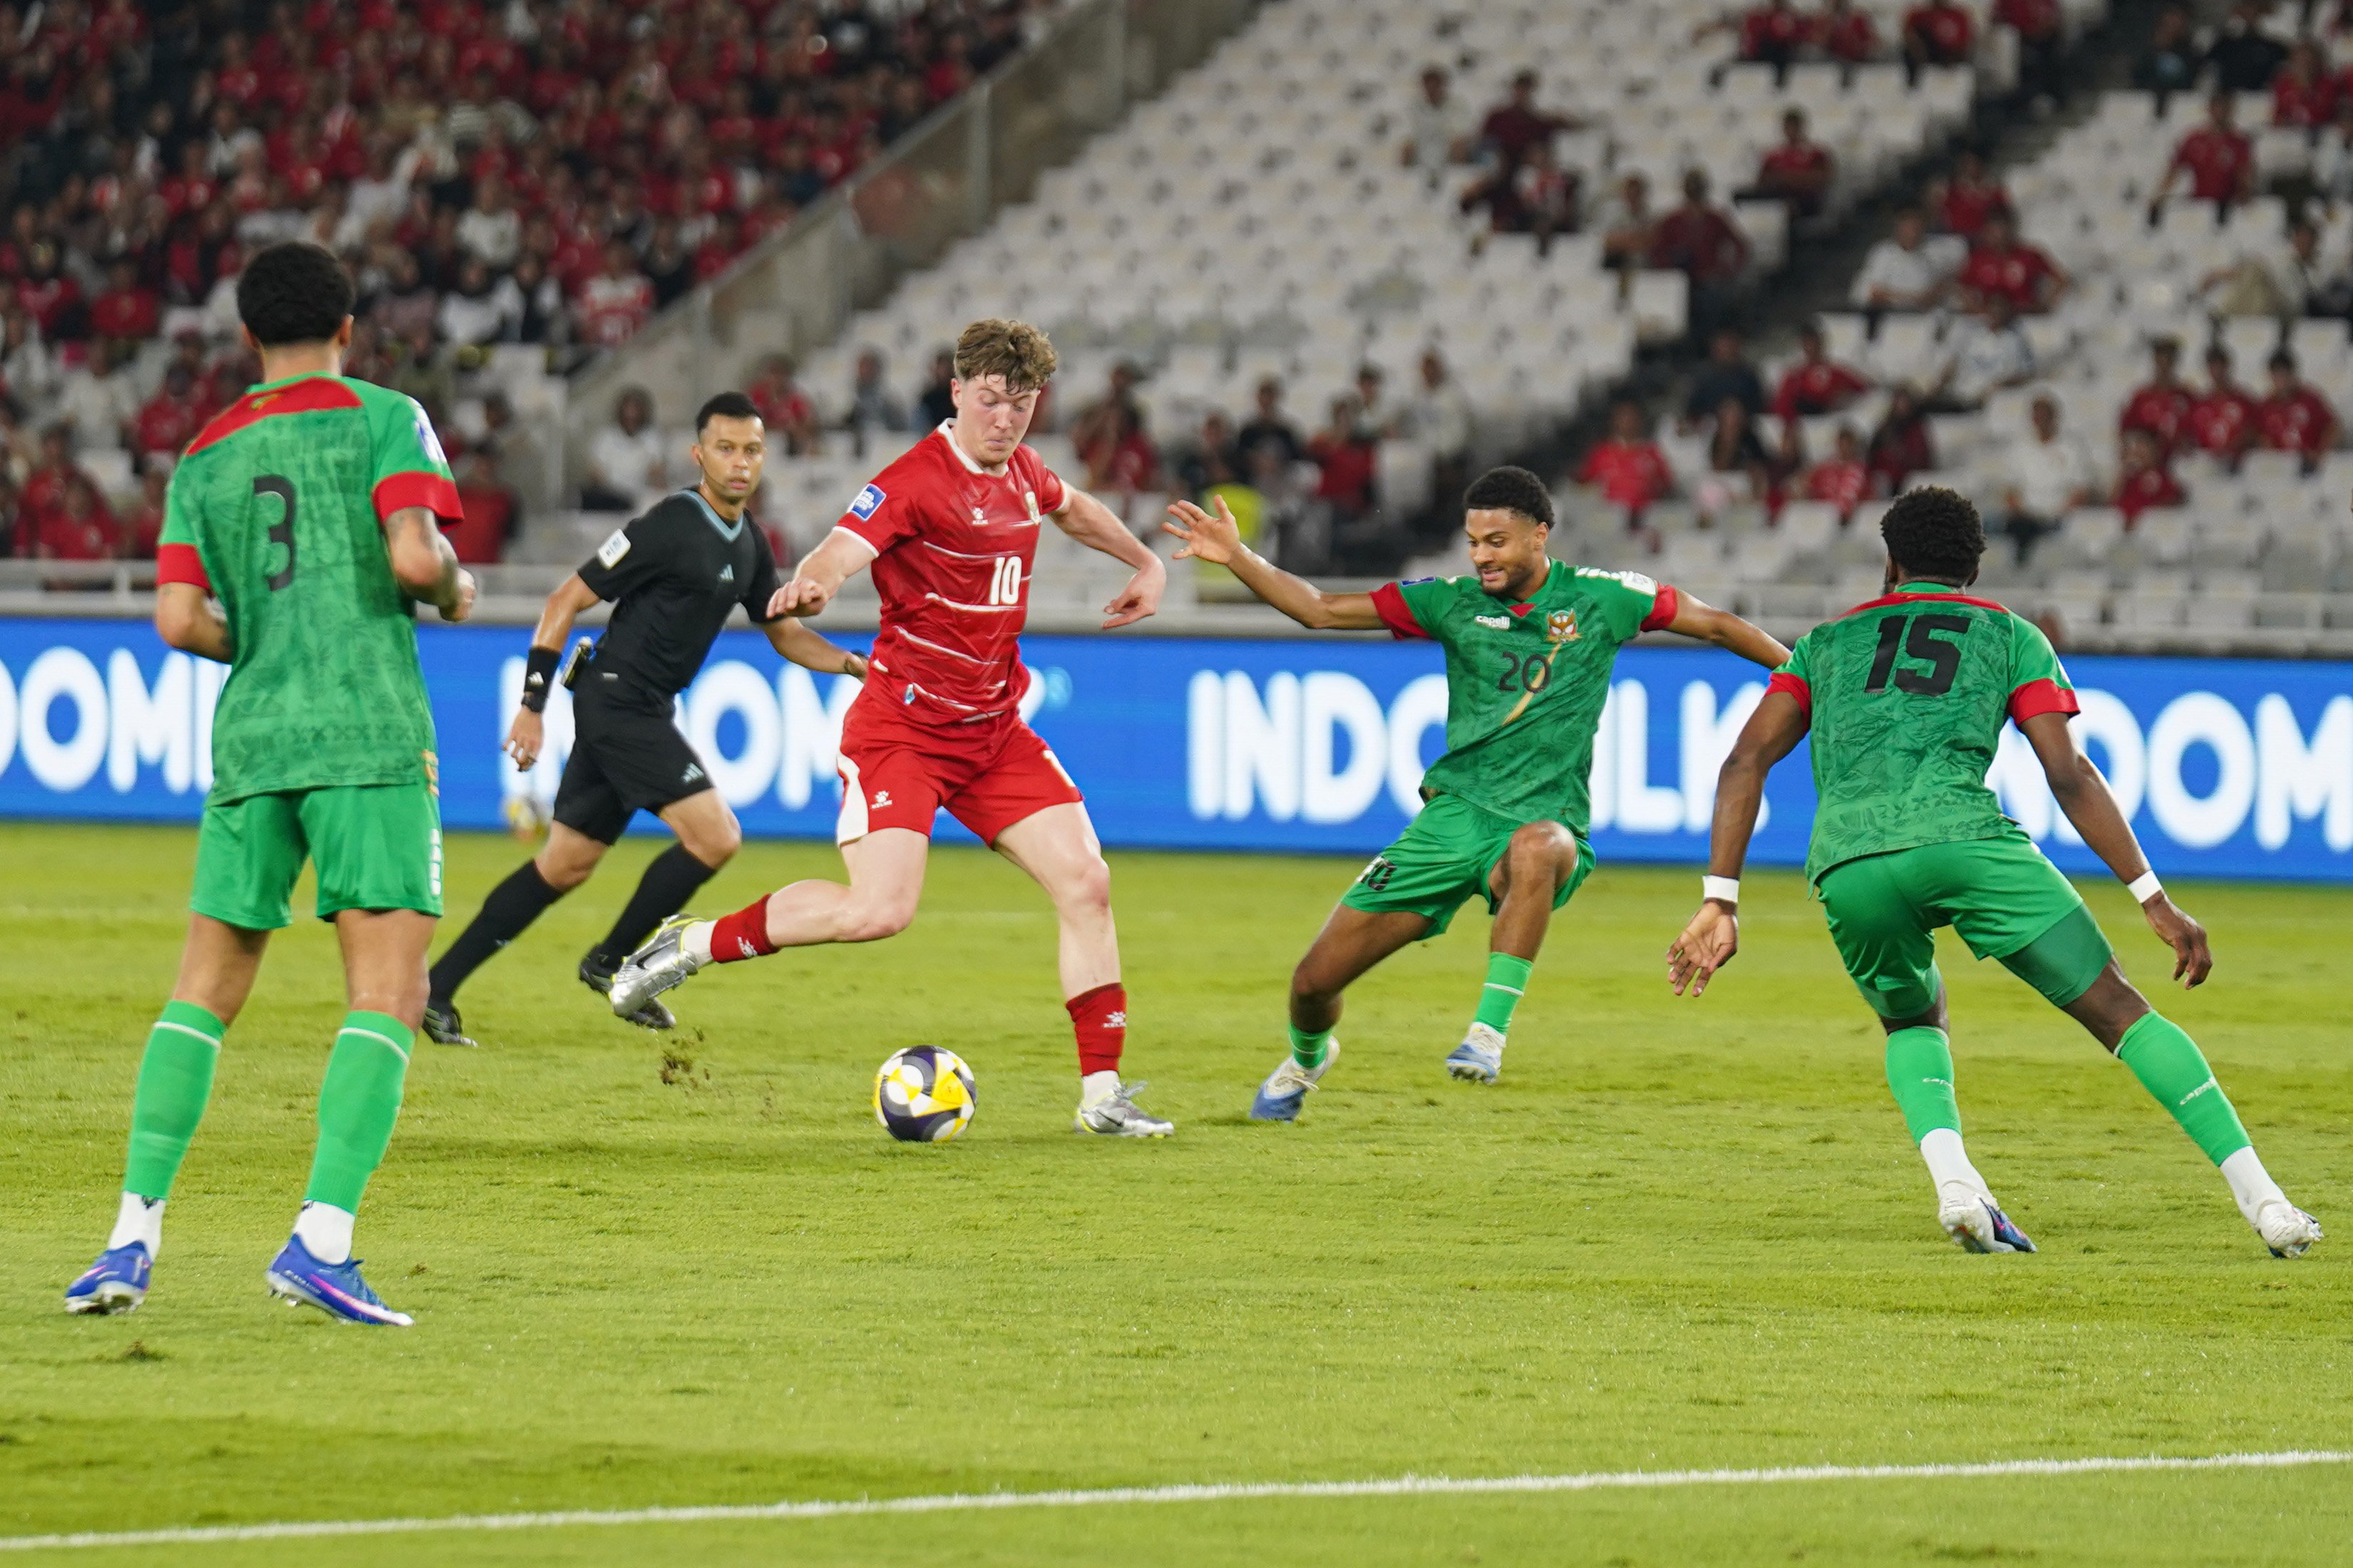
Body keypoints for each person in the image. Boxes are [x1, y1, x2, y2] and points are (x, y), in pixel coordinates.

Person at [1669, 487, 2322, 1261]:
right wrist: (2152, 898)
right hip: (1965, 842)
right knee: (2119, 1010)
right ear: (1972, 568)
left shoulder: (1820, 646)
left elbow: (1744, 760)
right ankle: (2268, 1204)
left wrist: (1721, 899)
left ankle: (1956, 1186)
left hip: (1849, 862)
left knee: (1912, 1018)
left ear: (1890, 561)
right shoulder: (2010, 635)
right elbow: (2067, 773)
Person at [607, 319, 1178, 1138]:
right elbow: (843, 548)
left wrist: (1146, 561)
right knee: (878, 911)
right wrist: (810, 586)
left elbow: (1075, 508)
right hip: (903, 732)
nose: (1006, 419)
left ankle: (1102, 1097)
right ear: (956, 392)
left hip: (992, 730)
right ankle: (690, 943)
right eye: (990, 401)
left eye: (1021, 404)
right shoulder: (913, 479)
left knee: (1086, 883)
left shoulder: (1023, 471)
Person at [63, 240, 478, 1327]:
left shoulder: (203, 455)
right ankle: (322, 1242)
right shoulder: (386, 415)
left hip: (253, 740)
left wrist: (268, 639)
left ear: (248, 336)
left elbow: (177, 620)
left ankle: (128, 1238)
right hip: (369, 736)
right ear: (349, 328)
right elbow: (416, 559)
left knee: (203, 988)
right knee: (388, 993)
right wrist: (458, 592)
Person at [1160, 468, 1788, 1113]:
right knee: (1313, 982)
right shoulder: (1450, 601)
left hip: (1547, 821)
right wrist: (1236, 555)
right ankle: (1307, 1059)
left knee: (1538, 847)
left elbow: (1713, 624)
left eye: (1497, 541)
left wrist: (1801, 674)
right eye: (1473, 542)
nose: (1481, 556)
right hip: (1450, 821)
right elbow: (1318, 610)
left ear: (1540, 535)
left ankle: (1485, 1035)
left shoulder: (1605, 598)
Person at [422, 393, 866, 1048]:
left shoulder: (748, 543)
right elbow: (563, 600)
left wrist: (855, 665)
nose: (739, 464)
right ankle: (610, 962)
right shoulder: (670, 522)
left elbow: (785, 634)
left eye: (751, 451)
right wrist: (532, 706)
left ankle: (435, 990)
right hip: (615, 700)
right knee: (716, 837)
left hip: (642, 707)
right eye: (725, 449)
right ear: (698, 454)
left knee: (564, 865)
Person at [2002, 393, 2098, 561]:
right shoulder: (2019, 448)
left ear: (2055, 416)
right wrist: (2024, 512)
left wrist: (2060, 514)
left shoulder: (2072, 447)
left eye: (2045, 415)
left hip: (2062, 517)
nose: (2041, 420)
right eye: (2037, 415)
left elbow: (2082, 490)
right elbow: (2011, 491)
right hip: (2027, 519)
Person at [2155, 93, 2257, 212]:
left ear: (2231, 110)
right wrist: (2159, 196)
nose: (2221, 113)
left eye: (2225, 108)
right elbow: (2174, 171)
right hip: (2199, 204)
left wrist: (2245, 192)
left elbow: (2245, 176)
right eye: (2217, 107)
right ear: (2209, 109)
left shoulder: (2239, 143)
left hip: (2227, 206)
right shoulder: (2194, 140)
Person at [1850, 207, 1965, 313]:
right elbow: (1875, 293)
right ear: (1898, 229)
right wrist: (1915, 299)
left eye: (1916, 229)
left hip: (1928, 315)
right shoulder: (1883, 252)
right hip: (1890, 316)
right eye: (1907, 229)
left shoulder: (1937, 251)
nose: (1912, 234)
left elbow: (1950, 281)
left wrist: (1937, 291)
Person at [1577, 398, 1676, 517]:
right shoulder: (1602, 453)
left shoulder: (1651, 453)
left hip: (1645, 516)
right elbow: (1583, 483)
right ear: (1615, 421)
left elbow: (1666, 485)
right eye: (1623, 418)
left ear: (1640, 421)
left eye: (1632, 418)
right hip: (1610, 516)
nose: (1628, 422)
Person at [1957, 212, 2067, 314]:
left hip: (2023, 317)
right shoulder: (1978, 259)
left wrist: (2044, 305)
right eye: (1992, 232)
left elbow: (2061, 279)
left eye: (2001, 231)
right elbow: (1961, 285)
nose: (1997, 237)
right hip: (1990, 319)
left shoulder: (2028, 255)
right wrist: (1976, 308)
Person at [2256, 349, 2340, 465]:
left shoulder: (2310, 399)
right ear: (2271, 376)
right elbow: (2261, 436)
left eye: (2285, 375)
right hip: (2281, 466)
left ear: (2293, 374)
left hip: (2311, 464)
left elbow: (2333, 427)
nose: (2282, 381)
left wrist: (2320, 451)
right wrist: (2274, 455)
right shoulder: (2266, 406)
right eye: (2277, 375)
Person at [1773, 322, 1872, 418]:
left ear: (1821, 343)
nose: (1811, 347)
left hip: (1833, 422)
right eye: (1806, 343)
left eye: (1813, 342)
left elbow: (1864, 389)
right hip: (1803, 425)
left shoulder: (1837, 372)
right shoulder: (1794, 376)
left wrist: (1845, 400)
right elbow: (1780, 407)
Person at [1751, 108, 1834, 219]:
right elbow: (1762, 180)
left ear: (1801, 128)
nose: (1791, 131)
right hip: (1777, 199)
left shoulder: (1815, 153)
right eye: (1788, 127)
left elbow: (1823, 178)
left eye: (1794, 127)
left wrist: (1788, 178)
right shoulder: (1774, 155)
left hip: (1805, 201)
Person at [2185, 343, 2261, 464]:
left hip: (2238, 466)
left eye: (2220, 365)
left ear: (2228, 366)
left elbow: (2255, 432)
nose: (2217, 371)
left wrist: (2233, 448)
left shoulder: (2244, 400)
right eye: (2212, 365)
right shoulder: (2200, 404)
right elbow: (2190, 435)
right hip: (2206, 464)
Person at [2120, 338, 2194, 455]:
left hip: (2181, 461)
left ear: (2175, 364)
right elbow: (2126, 433)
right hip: (2150, 462)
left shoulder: (2187, 397)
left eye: (2168, 362)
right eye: (2160, 362)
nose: (2164, 368)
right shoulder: (2142, 398)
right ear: (2155, 362)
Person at [2115, 426, 2185, 524]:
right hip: (2124, 527)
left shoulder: (2160, 477)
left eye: (2143, 449)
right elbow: (2114, 502)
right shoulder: (2130, 477)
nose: (2138, 454)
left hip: (2152, 528)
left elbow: (2173, 500)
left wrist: (2145, 515)